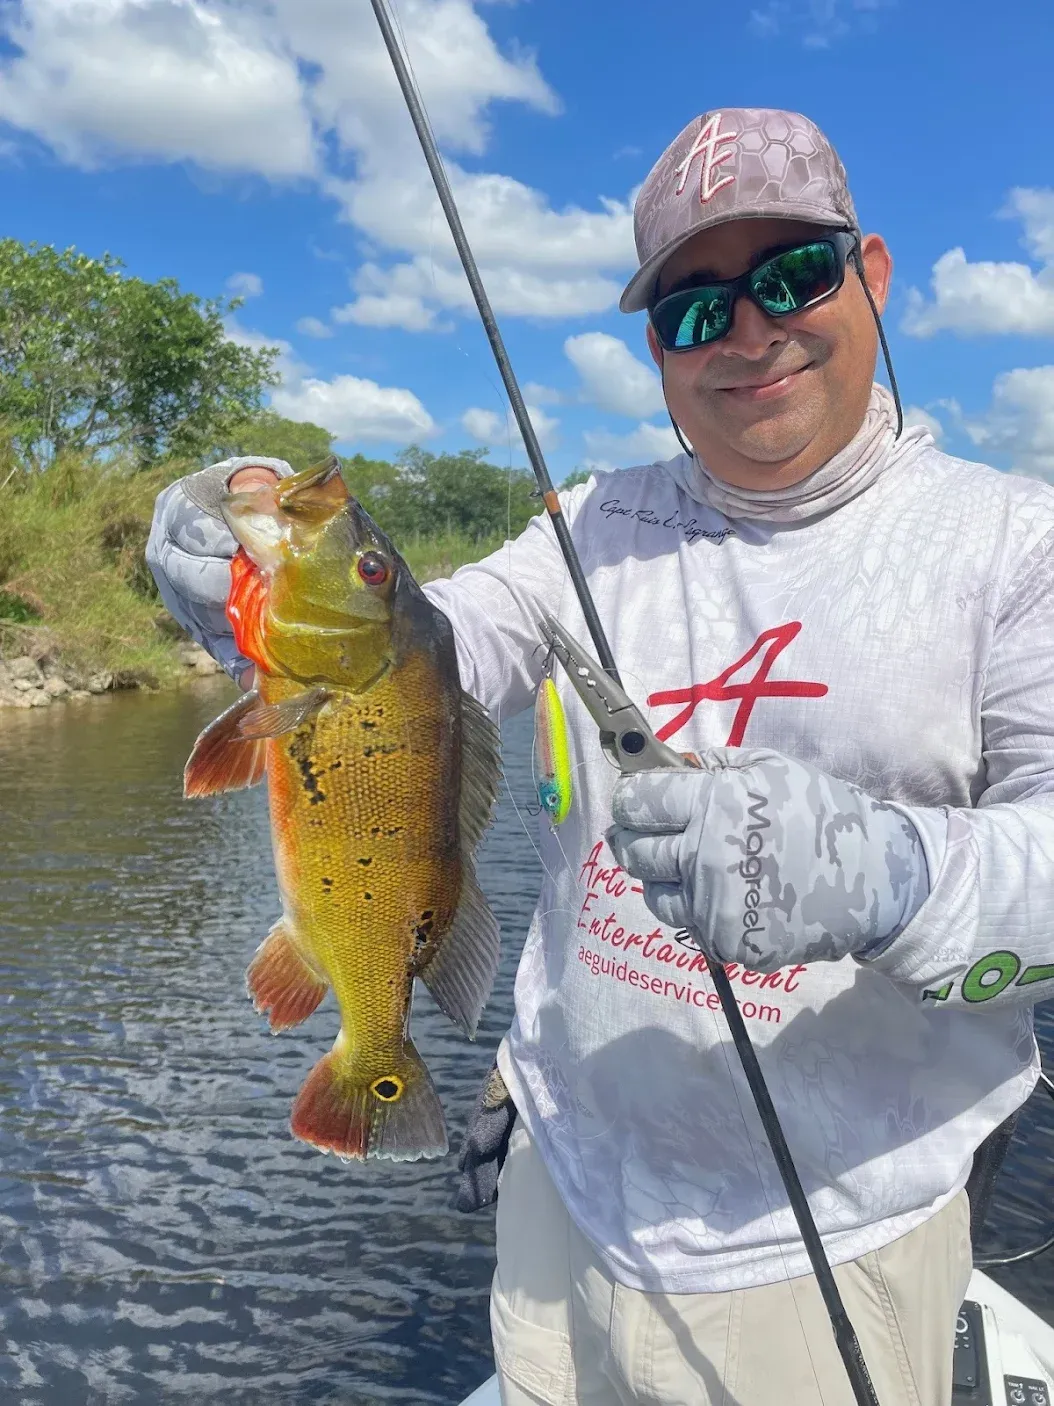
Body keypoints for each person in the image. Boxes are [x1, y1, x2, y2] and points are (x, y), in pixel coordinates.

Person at [147, 107, 1054, 1406]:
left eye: (790, 273)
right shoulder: (592, 521)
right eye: (692, 305)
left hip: (815, 1244)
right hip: (559, 1191)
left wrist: (887, 875)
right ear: (655, 344)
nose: (745, 331)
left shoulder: (1010, 544)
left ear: (874, 273)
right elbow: (429, 654)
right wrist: (241, 575)